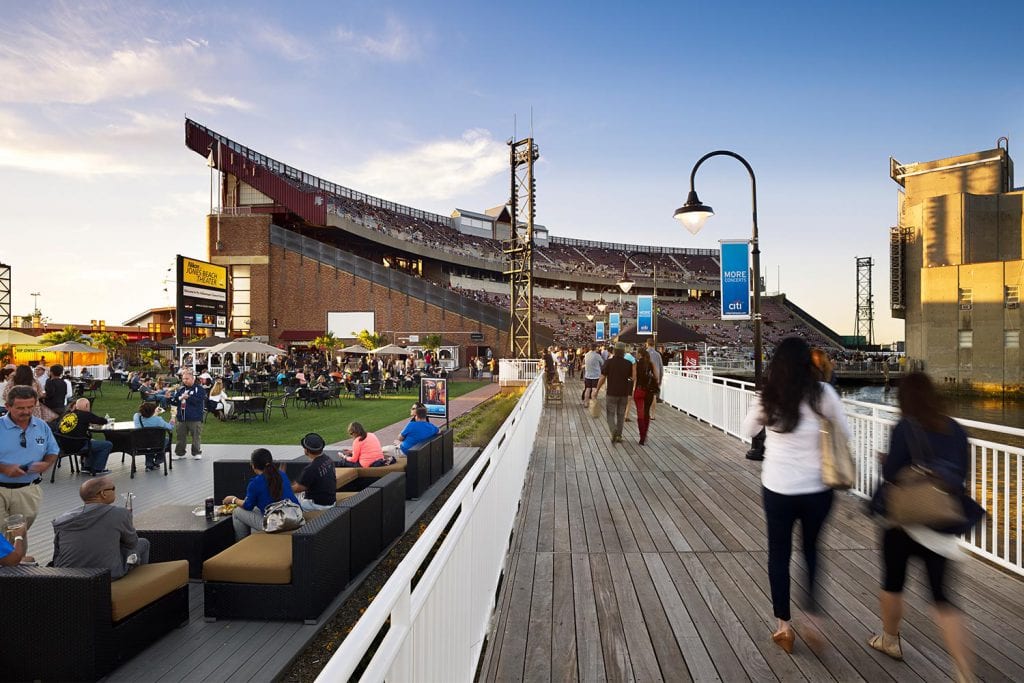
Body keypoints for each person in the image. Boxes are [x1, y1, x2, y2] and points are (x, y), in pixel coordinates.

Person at [740, 337, 850, 654]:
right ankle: (813, 619)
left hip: (778, 487)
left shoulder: (769, 395)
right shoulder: (823, 394)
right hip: (817, 488)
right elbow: (845, 432)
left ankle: (783, 627)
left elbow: (748, 430)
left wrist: (761, 413)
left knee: (779, 554)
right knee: (812, 550)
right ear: (808, 364)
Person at [868, 372, 975, 680]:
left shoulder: (905, 426)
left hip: (904, 519)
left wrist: (886, 460)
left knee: (892, 583)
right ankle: (964, 670)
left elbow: (891, 473)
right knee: (943, 598)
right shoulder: (955, 429)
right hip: (940, 519)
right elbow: (960, 474)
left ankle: (889, 639)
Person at [0, 385, 59, 560]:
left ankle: (14, 565)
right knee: (2, 532)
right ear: (8, 406)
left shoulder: (41, 426)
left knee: (19, 533)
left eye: (30, 407)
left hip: (28, 489)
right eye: (20, 408)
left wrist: (46, 464)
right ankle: (8, 564)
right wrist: (3, 468)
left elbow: (53, 451)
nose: (26, 411)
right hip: (0, 488)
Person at [51, 476, 149, 579]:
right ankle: (139, 583)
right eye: (113, 488)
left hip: (67, 575)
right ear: (103, 493)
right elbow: (132, 543)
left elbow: (57, 551)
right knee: (143, 543)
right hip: (106, 575)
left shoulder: (63, 519)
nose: (115, 491)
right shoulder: (119, 513)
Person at [222, 448, 299, 540]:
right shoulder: (281, 474)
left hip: (278, 523)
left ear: (253, 465)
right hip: (295, 517)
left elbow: (247, 506)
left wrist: (233, 499)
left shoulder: (255, 483)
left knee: (237, 512)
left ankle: (241, 543)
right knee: (255, 511)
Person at [57, 398, 115, 475]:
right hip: (77, 446)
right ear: (87, 406)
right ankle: (98, 469)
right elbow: (102, 421)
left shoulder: (67, 415)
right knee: (107, 445)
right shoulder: (85, 414)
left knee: (91, 441)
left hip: (63, 447)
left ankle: (86, 467)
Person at [594, 343, 635, 444]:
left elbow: (603, 378)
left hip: (611, 393)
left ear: (614, 351)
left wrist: (597, 390)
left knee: (610, 415)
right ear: (623, 352)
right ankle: (619, 436)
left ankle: (613, 432)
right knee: (621, 415)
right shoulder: (628, 363)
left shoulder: (608, 362)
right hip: (624, 393)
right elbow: (632, 378)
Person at [291, 433, 336, 511]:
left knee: (287, 500)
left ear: (306, 450)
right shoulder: (328, 459)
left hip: (318, 505)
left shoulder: (311, 469)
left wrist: (283, 488)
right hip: (331, 501)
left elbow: (297, 489)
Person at [171, 370, 205, 459]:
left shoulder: (199, 389)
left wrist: (188, 397)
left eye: (187, 378)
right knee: (180, 436)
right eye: (183, 379)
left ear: (192, 378)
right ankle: (179, 453)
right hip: (182, 418)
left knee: (196, 436)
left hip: (195, 417)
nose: (185, 380)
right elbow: (174, 401)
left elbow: (198, 400)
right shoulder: (181, 389)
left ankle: (196, 452)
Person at [133, 401, 175, 471]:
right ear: (152, 412)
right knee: (166, 440)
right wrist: (173, 417)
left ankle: (149, 465)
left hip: (140, 444)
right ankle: (158, 460)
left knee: (149, 443)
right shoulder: (158, 420)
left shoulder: (136, 416)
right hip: (156, 443)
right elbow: (170, 427)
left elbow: (147, 419)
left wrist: (154, 413)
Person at [633, 348, 659, 446]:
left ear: (639, 354)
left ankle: (641, 436)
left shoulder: (636, 364)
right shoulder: (651, 364)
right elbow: (656, 377)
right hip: (649, 391)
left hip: (639, 390)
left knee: (640, 412)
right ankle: (645, 435)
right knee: (646, 412)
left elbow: (634, 378)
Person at [645, 339, 663, 419]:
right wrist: (660, 379)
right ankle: (653, 414)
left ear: (647, 344)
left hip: (646, 377)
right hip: (656, 377)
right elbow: (661, 367)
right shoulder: (658, 354)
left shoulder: (645, 353)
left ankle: (646, 413)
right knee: (654, 396)